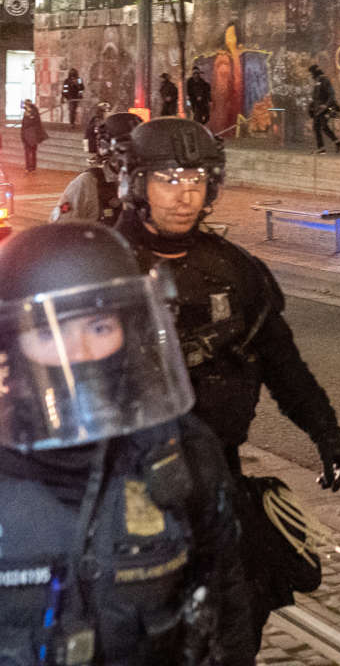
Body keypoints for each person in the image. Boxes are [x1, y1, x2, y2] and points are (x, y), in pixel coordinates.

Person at [111, 117, 340, 646]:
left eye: (196, 180)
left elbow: (280, 359)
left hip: (221, 476)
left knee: (238, 620)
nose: (185, 196)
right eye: (169, 179)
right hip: (124, 488)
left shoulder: (236, 270)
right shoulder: (99, 266)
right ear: (136, 183)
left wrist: (324, 430)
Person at [0, 223, 256, 666]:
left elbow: (225, 596)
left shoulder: (182, 453)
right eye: (49, 334)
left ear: (128, 329)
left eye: (99, 327)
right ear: (13, 345)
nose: (77, 352)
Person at [50, 111, 141, 225]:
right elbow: (60, 231)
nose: (131, 157)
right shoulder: (88, 183)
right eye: (123, 150)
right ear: (107, 149)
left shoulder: (147, 181)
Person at [307, 64, 340, 154]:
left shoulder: (324, 80)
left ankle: (323, 148)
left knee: (320, 126)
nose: (311, 76)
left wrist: (326, 106)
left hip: (324, 109)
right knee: (321, 127)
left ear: (315, 73)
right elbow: (316, 97)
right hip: (317, 109)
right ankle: (335, 143)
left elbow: (332, 94)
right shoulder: (317, 81)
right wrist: (311, 106)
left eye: (312, 74)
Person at [19, 99, 45, 174]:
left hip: (32, 135)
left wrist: (30, 115)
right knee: (27, 152)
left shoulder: (34, 112)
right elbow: (23, 125)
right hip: (27, 135)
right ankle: (28, 167)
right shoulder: (27, 113)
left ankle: (32, 167)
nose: (25, 107)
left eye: (26, 105)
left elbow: (35, 123)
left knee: (32, 152)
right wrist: (22, 135)